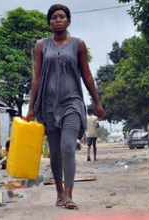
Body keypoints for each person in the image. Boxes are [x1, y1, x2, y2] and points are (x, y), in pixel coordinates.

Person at [26, 4, 104, 209]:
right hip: (48, 105)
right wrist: (31, 107)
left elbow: (86, 74)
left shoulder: (78, 45)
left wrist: (96, 102)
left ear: (68, 21)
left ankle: (69, 194)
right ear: (49, 22)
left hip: (72, 102)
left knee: (67, 147)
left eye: (62, 16)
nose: (58, 20)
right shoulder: (41, 46)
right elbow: (37, 77)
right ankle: (59, 192)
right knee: (55, 152)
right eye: (53, 17)